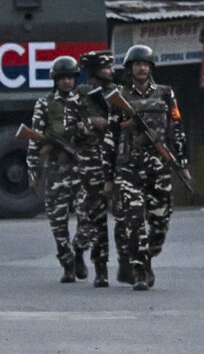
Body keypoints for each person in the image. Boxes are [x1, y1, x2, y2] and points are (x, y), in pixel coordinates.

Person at [109, 45, 190, 292]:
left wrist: (182, 163)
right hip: (128, 167)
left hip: (158, 166)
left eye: (145, 64)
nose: (141, 68)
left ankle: (142, 256)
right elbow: (110, 134)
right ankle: (140, 270)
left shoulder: (166, 94)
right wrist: (108, 174)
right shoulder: (119, 96)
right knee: (134, 218)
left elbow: (176, 127)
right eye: (137, 64)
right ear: (130, 68)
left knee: (160, 222)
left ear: (151, 67)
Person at [23, 56, 88, 282]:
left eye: (70, 77)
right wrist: (33, 171)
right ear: (55, 80)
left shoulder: (83, 102)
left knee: (87, 216)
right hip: (55, 170)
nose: (67, 82)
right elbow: (35, 139)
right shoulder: (44, 104)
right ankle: (67, 264)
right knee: (58, 223)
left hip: (81, 169)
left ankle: (79, 249)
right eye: (62, 78)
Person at [76, 51, 117, 288]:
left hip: (118, 160)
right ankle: (100, 267)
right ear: (94, 70)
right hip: (92, 162)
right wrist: (90, 123)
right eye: (106, 67)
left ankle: (130, 265)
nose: (111, 70)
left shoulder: (118, 93)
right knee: (96, 218)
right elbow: (66, 128)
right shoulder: (79, 97)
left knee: (125, 216)